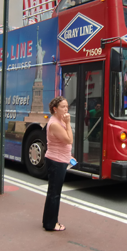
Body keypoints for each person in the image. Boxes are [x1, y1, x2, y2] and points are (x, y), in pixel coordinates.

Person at [42, 96, 73, 232]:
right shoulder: (54, 123)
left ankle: (48, 221)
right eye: (63, 107)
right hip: (56, 161)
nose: (66, 109)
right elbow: (69, 140)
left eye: (67, 106)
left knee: (53, 193)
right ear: (55, 109)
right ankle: (51, 224)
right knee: (54, 194)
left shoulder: (59, 120)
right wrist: (68, 123)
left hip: (60, 159)